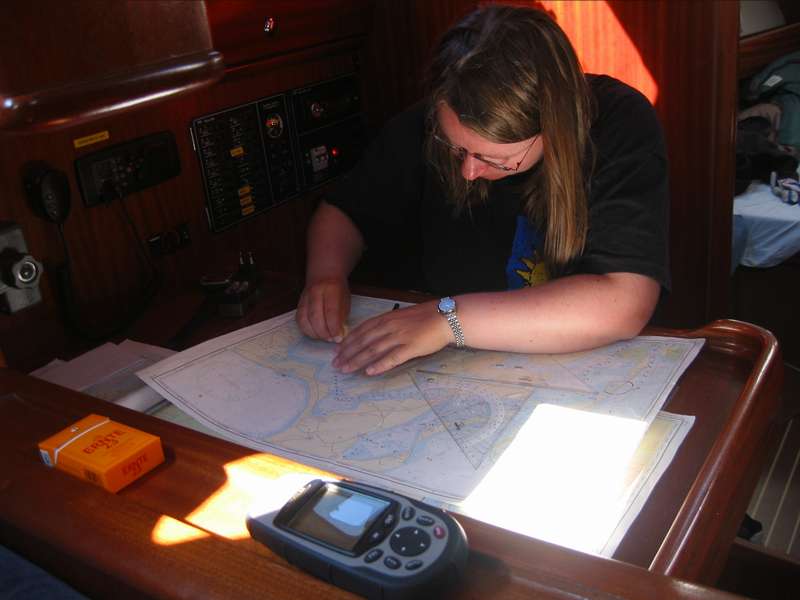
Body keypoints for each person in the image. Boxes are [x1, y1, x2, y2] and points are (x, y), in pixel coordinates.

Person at [296, 4, 669, 376]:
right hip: (461, 371)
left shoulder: (618, 124)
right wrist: (326, 275)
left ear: (554, 126)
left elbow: (624, 301)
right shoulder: (439, 115)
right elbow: (345, 211)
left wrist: (447, 321)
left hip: (577, 372)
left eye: (495, 159)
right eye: (456, 147)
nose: (469, 171)